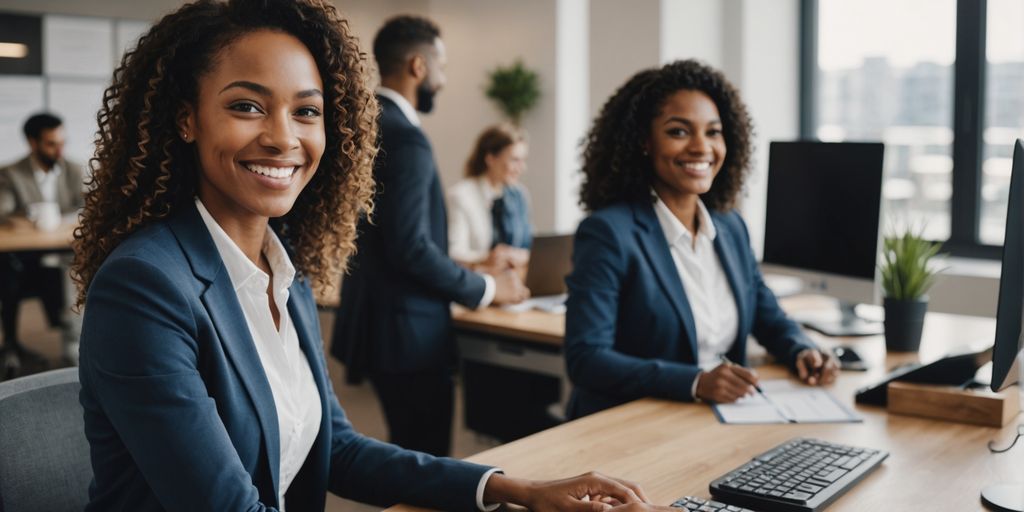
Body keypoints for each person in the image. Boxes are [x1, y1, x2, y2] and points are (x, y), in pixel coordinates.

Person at [73, 1, 655, 510]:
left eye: (306, 111)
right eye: (247, 106)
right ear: (186, 119)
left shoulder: (282, 268)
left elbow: (338, 448)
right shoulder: (146, 285)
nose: (284, 137)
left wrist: (516, 490)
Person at [563, 60, 839, 420]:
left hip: (719, 420)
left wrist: (802, 349)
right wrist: (695, 381)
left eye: (713, 132)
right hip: (634, 425)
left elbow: (767, 316)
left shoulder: (730, 227)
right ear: (644, 142)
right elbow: (587, 359)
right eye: (679, 132)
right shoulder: (609, 233)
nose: (701, 147)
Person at [330, 15, 528, 458]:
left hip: (375, 323)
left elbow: (392, 240)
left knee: (407, 451)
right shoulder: (408, 140)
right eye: (442, 66)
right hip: (409, 336)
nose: (443, 78)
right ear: (419, 66)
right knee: (427, 459)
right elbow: (411, 248)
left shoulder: (367, 127)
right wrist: (489, 287)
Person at [0, 112, 85, 370]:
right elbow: (3, 210)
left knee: (77, 269)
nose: (59, 150)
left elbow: (86, 206)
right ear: (32, 143)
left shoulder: (73, 170)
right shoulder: (11, 174)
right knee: (7, 268)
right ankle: (12, 345)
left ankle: (75, 346)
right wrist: (30, 215)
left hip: (63, 250)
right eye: (51, 144)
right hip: (25, 256)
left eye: (62, 143)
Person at [447, 124, 531, 273]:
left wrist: (521, 256)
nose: (522, 168)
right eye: (514, 160)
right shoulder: (460, 196)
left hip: (515, 280)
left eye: (523, 160)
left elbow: (529, 246)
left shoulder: (519, 195)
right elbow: (453, 252)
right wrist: (486, 257)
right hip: (480, 282)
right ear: (491, 159)